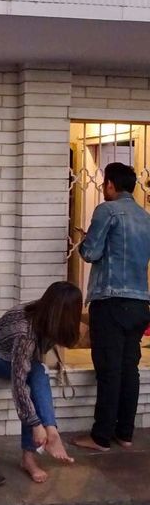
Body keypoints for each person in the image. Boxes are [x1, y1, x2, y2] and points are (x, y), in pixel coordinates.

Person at [72, 162, 150, 452]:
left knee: (108, 369)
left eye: (105, 184)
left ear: (110, 185)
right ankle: (125, 433)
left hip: (110, 301)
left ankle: (100, 436)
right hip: (140, 301)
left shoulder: (107, 210)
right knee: (130, 368)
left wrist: (81, 242)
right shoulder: (146, 217)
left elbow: (91, 252)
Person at [0, 281, 82, 483]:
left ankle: (47, 435)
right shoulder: (25, 331)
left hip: (22, 356)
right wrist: (36, 424)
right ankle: (38, 447)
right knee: (35, 374)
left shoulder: (47, 316)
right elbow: (18, 384)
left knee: (37, 372)